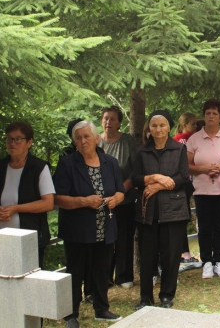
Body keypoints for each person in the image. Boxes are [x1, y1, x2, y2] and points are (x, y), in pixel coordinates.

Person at [54, 121, 124, 328]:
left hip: (105, 226)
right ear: (74, 141)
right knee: (75, 271)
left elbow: (120, 190)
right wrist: (83, 201)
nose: (83, 141)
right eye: (78, 137)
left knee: (102, 270)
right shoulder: (67, 164)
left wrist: (116, 199)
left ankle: (101, 309)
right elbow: (58, 198)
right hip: (77, 228)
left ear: (96, 138)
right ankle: (71, 314)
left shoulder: (109, 162)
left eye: (86, 136)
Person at [131, 110, 191, 310]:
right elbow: (136, 178)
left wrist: (160, 186)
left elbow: (184, 177)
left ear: (169, 127)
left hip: (173, 210)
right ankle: (145, 298)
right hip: (148, 211)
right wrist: (155, 177)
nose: (157, 129)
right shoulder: (142, 151)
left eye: (162, 125)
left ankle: (166, 295)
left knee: (170, 256)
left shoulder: (178, 149)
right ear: (149, 128)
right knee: (147, 256)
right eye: (154, 125)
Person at [186, 99, 220, 279]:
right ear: (204, 116)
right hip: (202, 190)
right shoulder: (194, 138)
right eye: (208, 113)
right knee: (205, 227)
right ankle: (207, 261)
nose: (211, 116)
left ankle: (219, 261)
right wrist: (203, 169)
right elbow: (186, 164)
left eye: (215, 113)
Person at [0, 121, 55, 269]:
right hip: (2, 239)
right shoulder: (1, 166)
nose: (12, 143)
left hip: (30, 237)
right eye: (9, 138)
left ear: (29, 142)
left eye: (18, 139)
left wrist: (15, 208)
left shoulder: (39, 167)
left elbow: (48, 203)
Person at [98, 106, 137, 289]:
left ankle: (124, 276)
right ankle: (104, 277)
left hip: (125, 198)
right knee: (104, 239)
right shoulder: (95, 142)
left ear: (119, 122)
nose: (109, 122)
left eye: (113, 119)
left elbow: (135, 170)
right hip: (101, 202)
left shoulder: (127, 142)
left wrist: (121, 191)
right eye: (106, 118)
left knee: (124, 237)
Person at [172, 112, 201, 267]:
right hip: (192, 180)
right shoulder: (191, 138)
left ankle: (184, 252)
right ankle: (186, 253)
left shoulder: (173, 139)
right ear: (184, 125)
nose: (196, 127)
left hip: (180, 183)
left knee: (182, 216)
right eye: (193, 124)